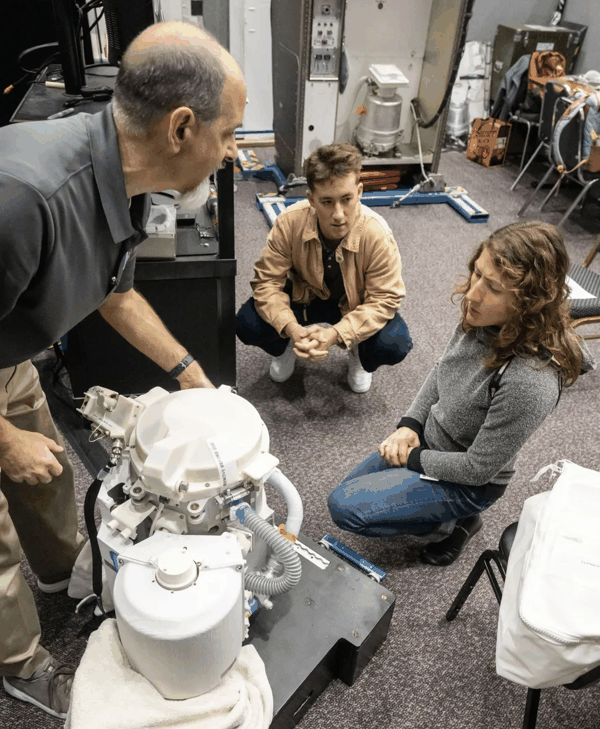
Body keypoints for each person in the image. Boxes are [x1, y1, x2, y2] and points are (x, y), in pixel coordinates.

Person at [0, 22, 246, 719]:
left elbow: (117, 294)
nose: (233, 152)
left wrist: (192, 376)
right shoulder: (24, 201)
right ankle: (21, 665)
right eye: (229, 134)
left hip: (9, 350)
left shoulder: (126, 177)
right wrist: (3, 440)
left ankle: (62, 575)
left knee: (49, 474)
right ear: (181, 127)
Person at [328, 221, 594, 565]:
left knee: (346, 509)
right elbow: (443, 369)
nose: (472, 294)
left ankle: (451, 525)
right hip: (432, 441)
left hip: (468, 482)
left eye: (493, 287)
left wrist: (411, 459)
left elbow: (476, 469)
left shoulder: (532, 381)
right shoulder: (482, 314)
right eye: (477, 274)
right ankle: (433, 506)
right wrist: (410, 425)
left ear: (529, 303)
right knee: (345, 492)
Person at [236, 143, 412, 393]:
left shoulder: (377, 234)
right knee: (247, 322)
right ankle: (285, 346)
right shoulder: (289, 223)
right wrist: (291, 328)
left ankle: (359, 352)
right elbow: (267, 284)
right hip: (304, 301)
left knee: (394, 343)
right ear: (311, 199)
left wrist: (338, 334)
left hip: (353, 305)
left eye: (346, 200)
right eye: (327, 201)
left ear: (359, 192)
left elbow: (385, 298)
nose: (338, 214)